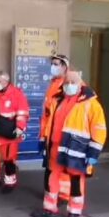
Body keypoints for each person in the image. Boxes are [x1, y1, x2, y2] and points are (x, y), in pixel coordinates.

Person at [31, 71, 107, 217]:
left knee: (75, 182)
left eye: (73, 82)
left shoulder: (91, 104)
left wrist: (93, 152)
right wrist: (43, 140)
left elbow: (99, 129)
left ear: (80, 84)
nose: (69, 85)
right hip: (55, 148)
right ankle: (50, 208)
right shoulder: (57, 100)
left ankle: (74, 212)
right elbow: (48, 122)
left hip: (76, 150)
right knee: (52, 179)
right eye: (67, 82)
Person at [40, 54, 72, 203]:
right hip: (50, 134)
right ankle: (51, 194)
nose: (53, 67)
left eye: (56, 64)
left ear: (64, 66)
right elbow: (47, 115)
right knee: (50, 167)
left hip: (62, 136)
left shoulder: (69, 85)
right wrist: (42, 136)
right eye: (52, 64)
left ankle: (62, 196)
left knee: (61, 168)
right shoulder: (53, 84)